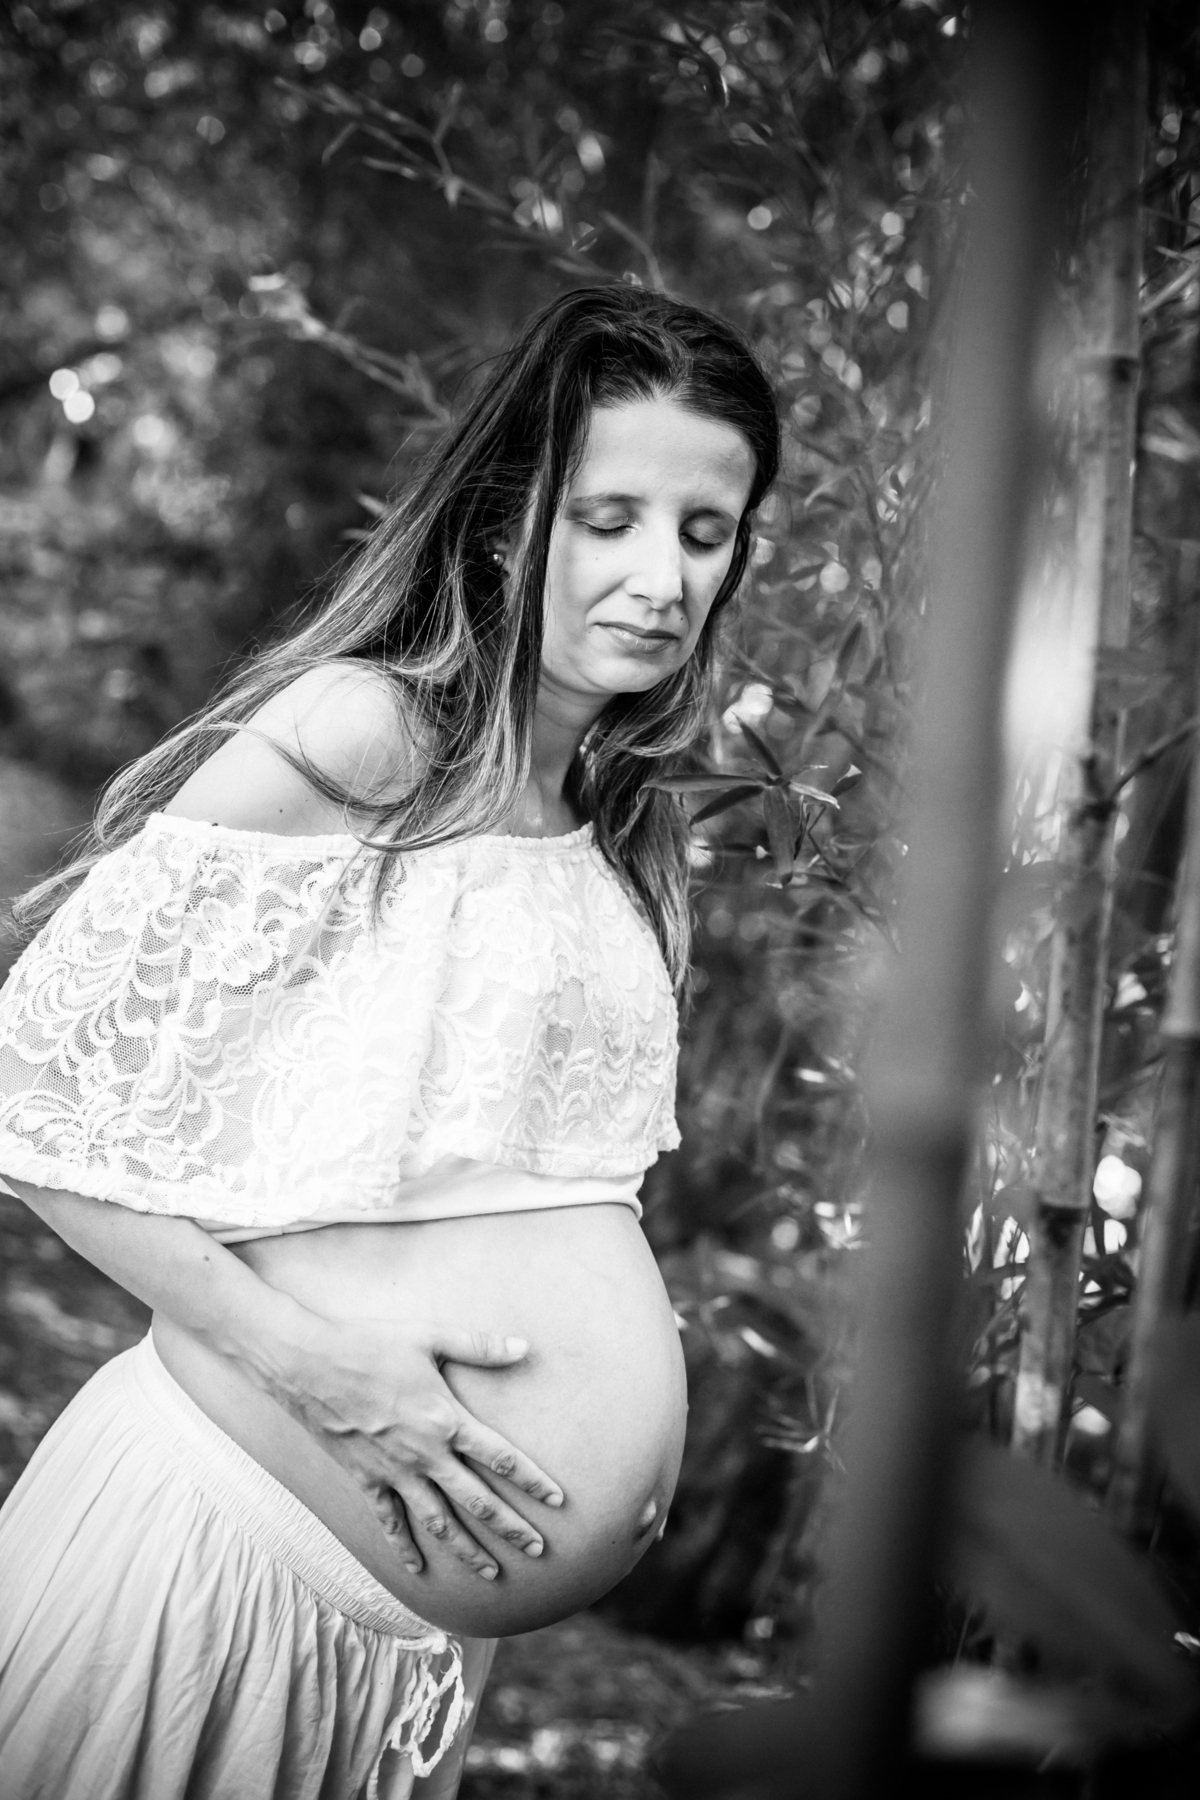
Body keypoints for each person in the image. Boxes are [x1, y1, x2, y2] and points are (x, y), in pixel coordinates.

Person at [0, 283, 779, 1799]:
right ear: (505, 519)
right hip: (217, 1563)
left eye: (706, 531)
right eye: (607, 519)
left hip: (400, 1641)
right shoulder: (367, 736)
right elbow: (32, 1098)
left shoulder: (611, 817)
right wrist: (311, 1365)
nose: (662, 577)